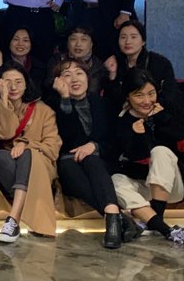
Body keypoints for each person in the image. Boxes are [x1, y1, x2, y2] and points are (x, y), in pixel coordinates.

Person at [109, 69, 184, 246]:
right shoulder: (122, 120)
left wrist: (162, 118)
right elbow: (135, 156)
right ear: (128, 97)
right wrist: (138, 136)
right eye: (139, 95)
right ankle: (164, 228)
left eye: (151, 94)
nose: (147, 100)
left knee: (160, 151)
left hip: (175, 183)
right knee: (115, 180)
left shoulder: (167, 109)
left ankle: (156, 217)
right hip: (145, 184)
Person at [44, 59, 124, 249]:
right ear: (58, 82)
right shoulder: (52, 106)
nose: (74, 79)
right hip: (68, 165)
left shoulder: (102, 104)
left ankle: (115, 217)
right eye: (67, 75)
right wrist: (65, 99)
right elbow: (70, 141)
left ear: (88, 78)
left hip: (100, 162)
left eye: (79, 73)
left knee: (91, 159)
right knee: (68, 165)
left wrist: (94, 146)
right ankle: (116, 218)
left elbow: (115, 141)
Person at [0, 62, 61, 243]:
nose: (13, 87)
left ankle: (13, 219)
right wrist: (4, 100)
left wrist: (26, 144)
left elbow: (53, 148)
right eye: (7, 82)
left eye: (18, 82)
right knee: (0, 156)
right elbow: (5, 133)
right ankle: (23, 206)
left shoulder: (43, 110)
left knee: (28, 154)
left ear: (27, 84)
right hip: (10, 168)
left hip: (40, 168)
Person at [104, 20, 184, 123]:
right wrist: (112, 75)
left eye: (133, 37)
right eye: (123, 37)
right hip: (126, 117)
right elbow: (110, 100)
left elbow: (169, 95)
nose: (128, 42)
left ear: (143, 41)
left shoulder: (160, 63)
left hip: (157, 115)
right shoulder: (115, 63)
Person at [44, 26, 106, 95]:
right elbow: (48, 86)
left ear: (91, 44)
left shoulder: (98, 66)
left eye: (84, 39)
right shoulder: (56, 60)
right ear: (67, 43)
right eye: (73, 39)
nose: (78, 44)